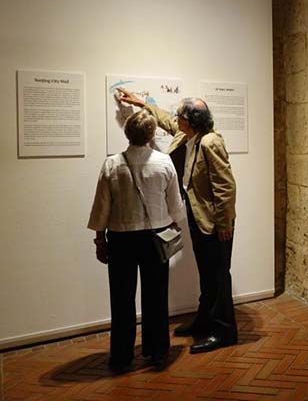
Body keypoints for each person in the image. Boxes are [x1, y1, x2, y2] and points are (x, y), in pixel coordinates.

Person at [116, 87, 238, 354]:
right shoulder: (189, 134)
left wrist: (225, 224)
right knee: (207, 274)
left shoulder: (209, 142)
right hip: (199, 218)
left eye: (180, 116)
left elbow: (225, 187)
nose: (176, 119)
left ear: (191, 121)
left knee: (218, 276)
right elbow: (167, 120)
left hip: (215, 223)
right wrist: (140, 104)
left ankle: (224, 331)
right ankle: (205, 320)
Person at [88, 110, 186, 371]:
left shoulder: (112, 164)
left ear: (127, 133)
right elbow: (175, 205)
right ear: (152, 134)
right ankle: (157, 351)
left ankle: (121, 356)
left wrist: (100, 239)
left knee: (121, 299)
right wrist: (175, 222)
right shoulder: (164, 163)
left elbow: (101, 207)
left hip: (120, 239)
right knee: (156, 296)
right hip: (155, 237)